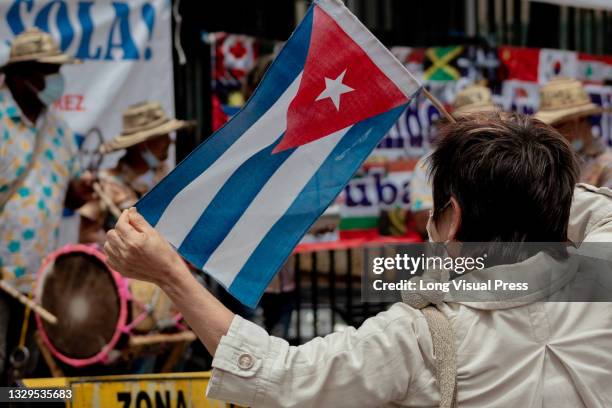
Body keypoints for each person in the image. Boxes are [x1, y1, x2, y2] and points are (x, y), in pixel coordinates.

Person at [104, 113, 612, 407]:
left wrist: (170, 275)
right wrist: (522, 180)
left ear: (451, 221)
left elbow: (279, 375)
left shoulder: (422, 337)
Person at [0, 28, 91, 381]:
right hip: (1, 277)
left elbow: (68, 194)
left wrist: (83, 190)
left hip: (38, 279)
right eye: (47, 70)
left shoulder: (59, 129)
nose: (57, 79)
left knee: (29, 374)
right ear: (20, 77)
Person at [78, 101, 189, 244]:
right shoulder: (103, 185)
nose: (169, 141)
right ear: (142, 145)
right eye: (162, 137)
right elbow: (87, 236)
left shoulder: (165, 176)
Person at [410, 84, 498, 238]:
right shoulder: (429, 163)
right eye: (470, 121)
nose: (480, 126)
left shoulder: (510, 156)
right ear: (455, 125)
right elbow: (421, 221)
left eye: (488, 118)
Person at [535, 77, 612, 187]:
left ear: (578, 121)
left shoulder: (607, 166)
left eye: (558, 125)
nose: (551, 131)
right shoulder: (549, 160)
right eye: (548, 126)